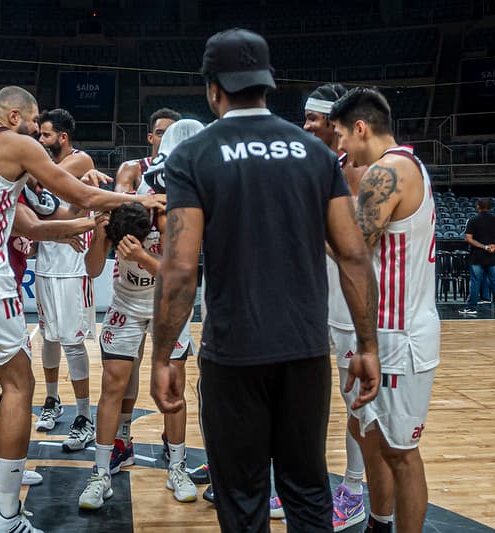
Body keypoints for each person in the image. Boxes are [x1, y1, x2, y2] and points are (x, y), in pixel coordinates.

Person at [150, 28, 380, 532]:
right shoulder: (317, 154)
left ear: (214, 88)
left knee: (243, 497)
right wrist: (368, 344)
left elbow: (181, 268)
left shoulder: (194, 155)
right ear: (266, 85)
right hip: (305, 351)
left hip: (233, 355)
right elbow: (355, 256)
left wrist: (163, 356)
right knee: (307, 490)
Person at [0, 85, 163, 532]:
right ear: (14, 117)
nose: (37, 133)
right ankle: (7, 514)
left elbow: (25, 222)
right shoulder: (13, 143)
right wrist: (137, 201)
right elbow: (82, 194)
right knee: (19, 384)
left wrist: (84, 227)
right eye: (33, 123)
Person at [0, 189, 96, 526]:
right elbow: (34, 226)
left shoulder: (24, 193)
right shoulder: (2, 192)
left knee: (7, 389)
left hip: (2, 297)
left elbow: (47, 215)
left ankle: (0, 465)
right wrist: (95, 217)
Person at [330, 87, 440, 533]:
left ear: (361, 128)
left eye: (341, 135)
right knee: (368, 438)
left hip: (400, 336)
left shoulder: (388, 171)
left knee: (400, 453)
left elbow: (351, 249)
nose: (339, 147)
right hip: (380, 332)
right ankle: (378, 522)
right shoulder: (403, 165)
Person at [79, 119, 204, 511]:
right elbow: (93, 269)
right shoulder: (128, 196)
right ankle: (100, 472)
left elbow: (182, 277)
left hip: (169, 304)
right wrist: (101, 233)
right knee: (113, 385)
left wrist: (141, 257)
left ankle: (178, 466)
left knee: (175, 389)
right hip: (127, 302)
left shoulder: (185, 202)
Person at [277, 82, 367, 531]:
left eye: (312, 119)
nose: (305, 125)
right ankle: (299, 479)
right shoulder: (324, 163)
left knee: (355, 402)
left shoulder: (359, 168)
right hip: (315, 296)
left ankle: (352, 489)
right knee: (303, 394)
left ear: (334, 123)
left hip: (350, 301)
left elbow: (355, 248)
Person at [33, 108, 98, 453]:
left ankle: (85, 417)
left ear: (63, 137)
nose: (40, 141)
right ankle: (52, 399)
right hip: (46, 259)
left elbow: (39, 182)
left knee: (72, 342)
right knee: (49, 338)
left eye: (45, 135)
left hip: (74, 264)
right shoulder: (44, 164)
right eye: (38, 135)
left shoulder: (81, 160)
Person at [114, 108, 181, 193]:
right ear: (150, 138)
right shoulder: (132, 167)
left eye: (170, 133)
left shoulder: (187, 170)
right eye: (160, 133)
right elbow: (120, 200)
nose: (165, 138)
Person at [458, 197, 495, 316]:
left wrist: (484, 247)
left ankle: (472, 308)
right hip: (493, 256)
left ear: (478, 206)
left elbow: (468, 238)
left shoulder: (473, 220)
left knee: (475, 282)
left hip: (477, 257)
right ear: (489, 207)